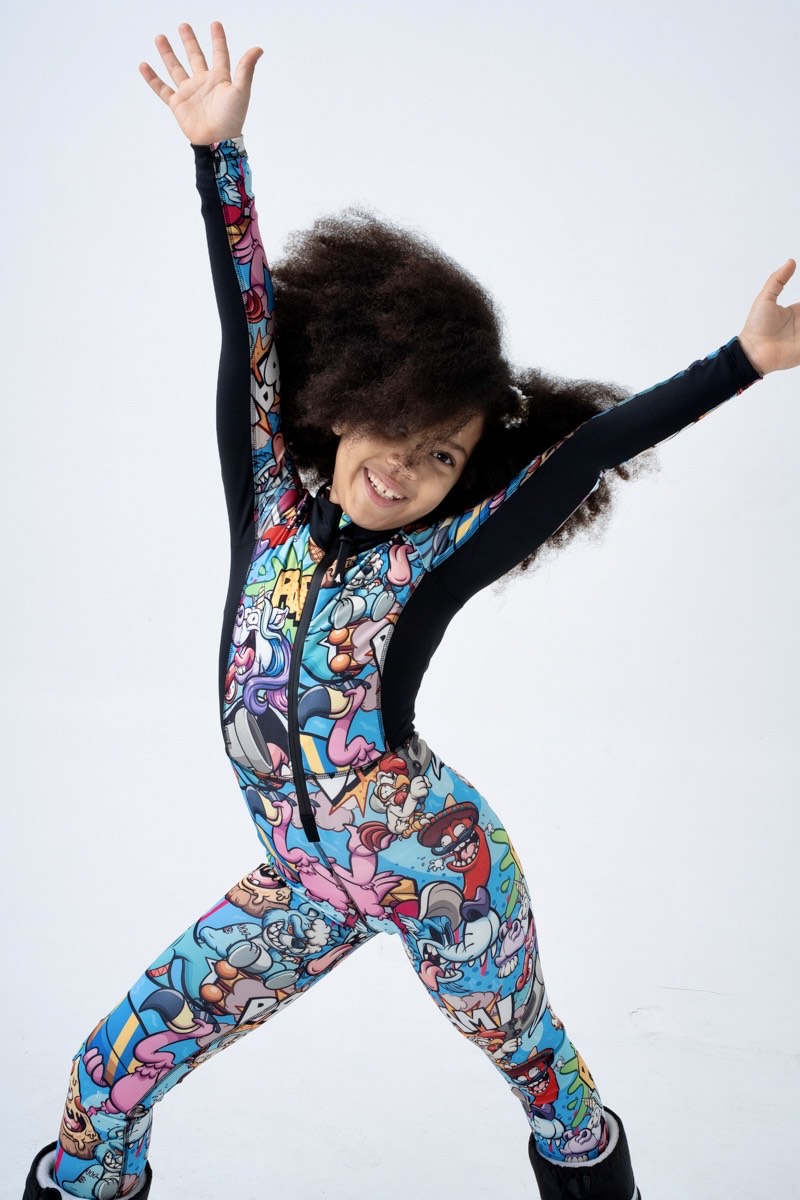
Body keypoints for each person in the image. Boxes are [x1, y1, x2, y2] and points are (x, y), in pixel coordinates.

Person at [22, 20, 800, 1200]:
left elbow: (584, 454)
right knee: (103, 1079)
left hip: (444, 876)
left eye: (441, 456)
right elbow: (249, 325)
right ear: (344, 403)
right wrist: (218, 158)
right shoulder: (267, 508)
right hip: (301, 887)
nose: (404, 466)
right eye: (396, 426)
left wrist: (737, 362)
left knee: (542, 1080)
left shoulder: (434, 561)